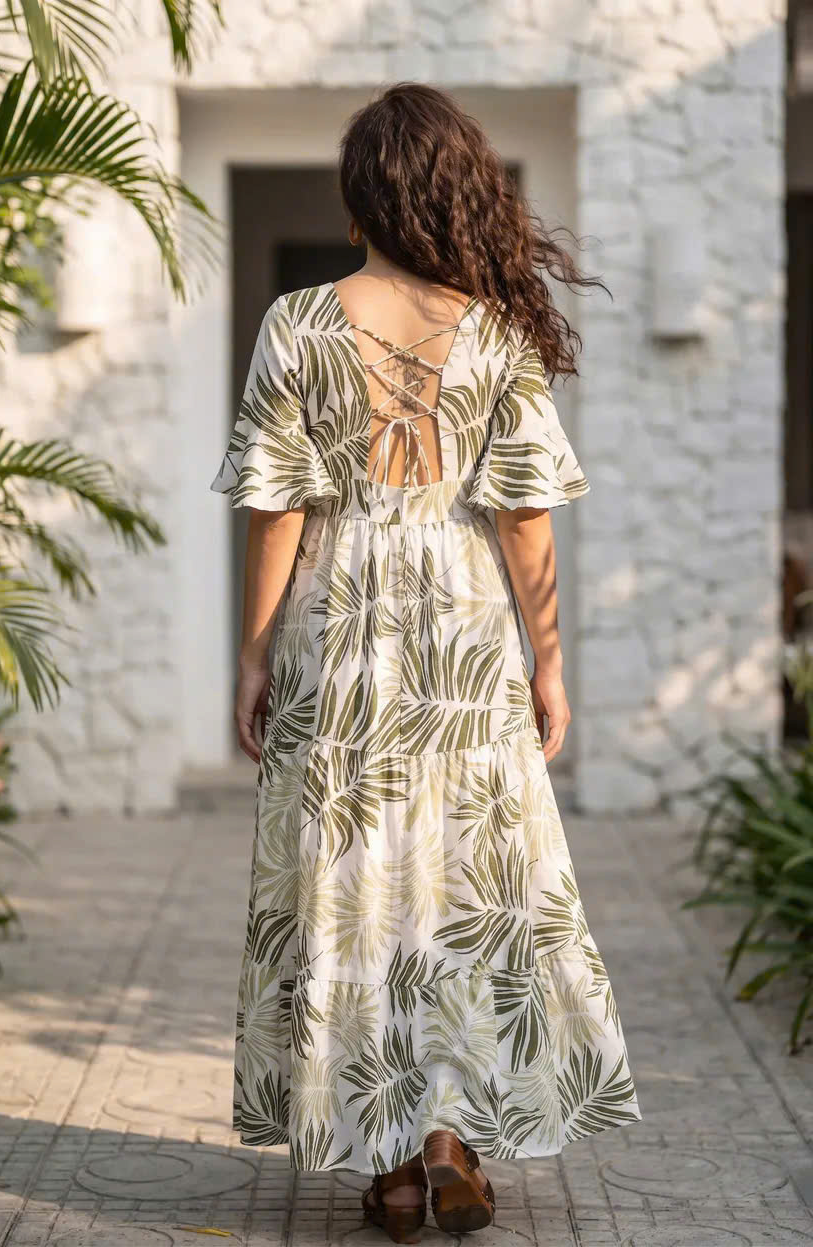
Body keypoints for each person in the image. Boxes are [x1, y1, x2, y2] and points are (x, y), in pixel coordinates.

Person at [211, 82, 641, 1243]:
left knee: (362, 880)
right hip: (464, 629)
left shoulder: (299, 325)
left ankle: (398, 1167)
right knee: (461, 877)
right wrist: (548, 663)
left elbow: (277, 508)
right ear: (454, 195)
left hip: (339, 631)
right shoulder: (495, 332)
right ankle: (446, 1141)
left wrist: (253, 654)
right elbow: (525, 518)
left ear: (360, 198)